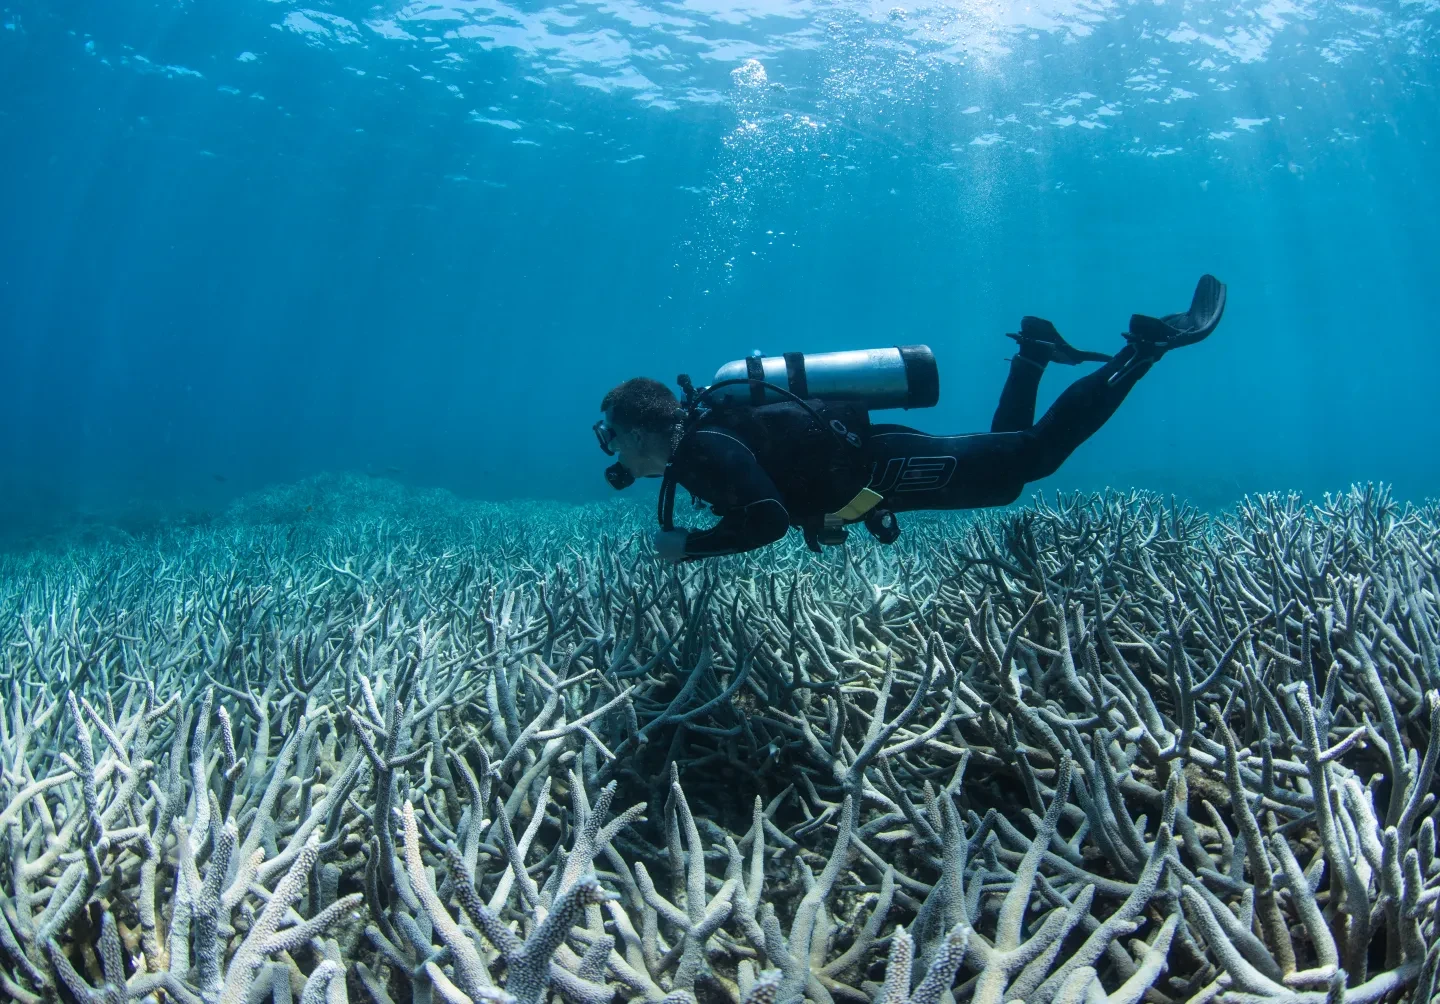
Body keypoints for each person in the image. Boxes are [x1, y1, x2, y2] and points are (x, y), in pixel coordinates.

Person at [594, 275, 1226, 562]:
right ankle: (1032, 354)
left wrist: (691, 547)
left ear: (642, 428)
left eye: (610, 435)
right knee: (1008, 471)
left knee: (1029, 459)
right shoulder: (703, 444)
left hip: (888, 466)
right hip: (879, 472)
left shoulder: (704, 448)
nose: (610, 452)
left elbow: (763, 521)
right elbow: (785, 491)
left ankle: (1145, 348)